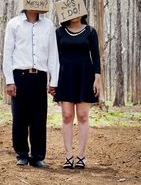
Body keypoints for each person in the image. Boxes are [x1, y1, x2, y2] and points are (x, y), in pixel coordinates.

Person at [3, 8, 59, 168]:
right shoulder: (14, 24)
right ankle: (21, 154)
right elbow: (7, 53)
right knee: (19, 116)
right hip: (19, 75)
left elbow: (53, 54)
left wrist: (53, 80)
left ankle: (37, 157)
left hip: (40, 76)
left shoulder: (48, 25)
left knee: (39, 118)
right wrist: (9, 80)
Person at [50, 15, 102, 169]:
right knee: (67, 116)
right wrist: (53, 80)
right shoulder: (59, 32)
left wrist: (97, 77)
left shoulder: (90, 32)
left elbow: (96, 56)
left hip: (85, 76)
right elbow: (55, 57)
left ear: (82, 12)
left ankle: (81, 155)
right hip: (65, 76)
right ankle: (68, 156)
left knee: (83, 116)